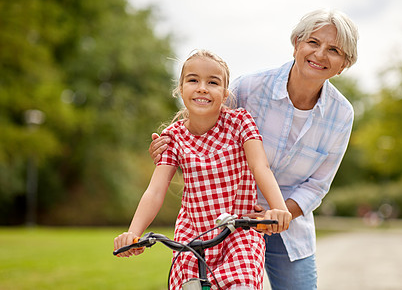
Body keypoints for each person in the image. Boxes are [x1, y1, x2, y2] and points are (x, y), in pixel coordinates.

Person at [150, 9, 359, 289]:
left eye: (334, 50)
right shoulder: (249, 88)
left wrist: (278, 213)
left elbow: (317, 185)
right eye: (313, 42)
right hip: (228, 219)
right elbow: (205, 125)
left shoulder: (341, 114)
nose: (320, 54)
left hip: (288, 223)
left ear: (344, 64)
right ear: (296, 43)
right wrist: (171, 144)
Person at [114, 49, 292, 290]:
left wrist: (279, 209)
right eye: (193, 80)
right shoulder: (173, 137)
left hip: (239, 232)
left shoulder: (240, 123)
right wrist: (133, 234)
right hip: (192, 236)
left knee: (243, 283)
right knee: (187, 285)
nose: (202, 87)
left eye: (213, 82)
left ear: (225, 93)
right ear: (180, 88)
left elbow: (260, 167)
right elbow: (155, 191)